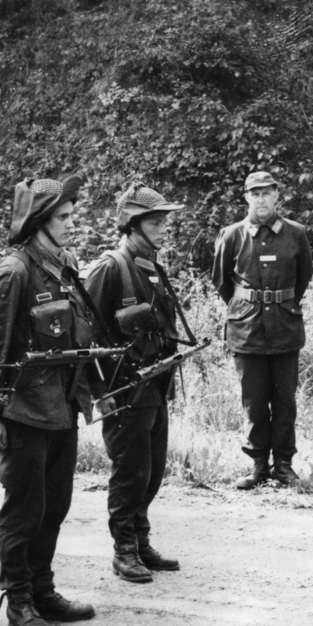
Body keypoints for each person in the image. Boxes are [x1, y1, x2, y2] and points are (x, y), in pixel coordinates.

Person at [0, 176, 101, 626]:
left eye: (70, 216)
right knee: (24, 510)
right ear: (38, 221)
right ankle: (19, 599)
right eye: (62, 217)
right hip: (24, 411)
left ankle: (43, 590)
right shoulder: (14, 271)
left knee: (55, 506)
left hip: (62, 408)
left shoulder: (65, 266)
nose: (71, 224)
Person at [85, 184, 184, 583]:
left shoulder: (150, 266)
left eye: (164, 222)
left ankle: (140, 541)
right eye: (156, 222)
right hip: (124, 390)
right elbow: (87, 333)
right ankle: (123, 549)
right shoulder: (110, 268)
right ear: (132, 224)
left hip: (155, 386)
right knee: (130, 471)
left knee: (152, 470)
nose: (163, 229)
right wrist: (99, 392)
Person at [212, 171, 312, 489]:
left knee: (285, 402)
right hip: (247, 330)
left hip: (285, 328)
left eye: (266, 193)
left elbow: (303, 279)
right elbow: (222, 282)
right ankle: (258, 466)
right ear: (246, 197)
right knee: (254, 402)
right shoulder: (232, 235)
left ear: (276, 195)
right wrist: (247, 306)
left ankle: (283, 466)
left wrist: (281, 303)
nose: (261, 199)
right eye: (255, 194)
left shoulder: (296, 234)